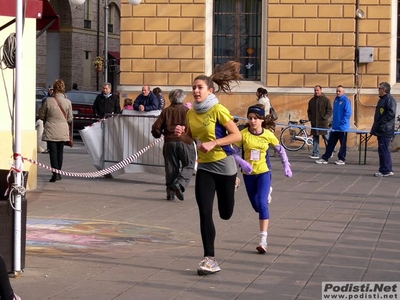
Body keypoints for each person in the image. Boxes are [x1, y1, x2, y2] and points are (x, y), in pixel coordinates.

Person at [174, 61, 242, 276]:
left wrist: (214, 143)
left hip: (225, 167)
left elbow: (237, 136)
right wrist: (181, 135)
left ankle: (233, 185)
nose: (195, 91)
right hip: (204, 167)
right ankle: (209, 259)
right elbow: (191, 139)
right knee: (204, 213)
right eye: (193, 87)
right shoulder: (191, 113)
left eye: (199, 87)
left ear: (210, 90)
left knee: (225, 213)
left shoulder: (218, 110)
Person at [236, 105, 292, 254]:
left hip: (263, 173)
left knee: (262, 204)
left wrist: (286, 164)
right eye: (250, 118)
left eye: (256, 118)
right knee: (257, 207)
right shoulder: (242, 135)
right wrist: (241, 162)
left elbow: (280, 149)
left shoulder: (267, 134)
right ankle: (266, 194)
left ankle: (263, 240)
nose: (253, 121)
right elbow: (233, 152)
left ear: (261, 120)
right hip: (248, 175)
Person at [151, 89, 196, 201]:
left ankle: (170, 192)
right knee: (189, 164)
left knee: (171, 167)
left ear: (170, 98)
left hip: (169, 141)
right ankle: (179, 183)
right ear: (183, 98)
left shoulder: (166, 111)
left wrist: (159, 134)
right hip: (185, 141)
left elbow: (156, 128)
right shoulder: (187, 111)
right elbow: (194, 127)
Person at [38, 79, 73, 182]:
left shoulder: (48, 101)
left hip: (51, 128)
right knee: (60, 152)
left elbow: (41, 115)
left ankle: (55, 173)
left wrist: (47, 119)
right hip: (63, 129)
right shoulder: (68, 102)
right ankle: (59, 172)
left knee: (52, 152)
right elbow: (70, 118)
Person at [315, 85, 352, 165]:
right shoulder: (336, 100)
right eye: (337, 91)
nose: (338, 93)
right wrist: (332, 122)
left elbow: (348, 113)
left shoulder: (346, 100)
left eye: (339, 91)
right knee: (331, 143)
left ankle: (341, 159)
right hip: (335, 127)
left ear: (343, 92)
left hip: (342, 128)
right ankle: (325, 158)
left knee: (343, 144)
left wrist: (342, 122)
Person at [371, 82, 397, 177]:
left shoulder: (389, 99)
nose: (378, 90)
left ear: (384, 90)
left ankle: (385, 170)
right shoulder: (383, 100)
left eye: (380, 88)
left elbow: (391, 113)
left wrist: (381, 121)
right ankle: (387, 169)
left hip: (385, 129)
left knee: (384, 150)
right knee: (383, 149)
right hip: (381, 128)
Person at [307, 85, 332, 159]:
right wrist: (310, 118)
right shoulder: (312, 101)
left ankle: (329, 152)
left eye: (317, 90)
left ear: (321, 90)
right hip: (314, 123)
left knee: (326, 138)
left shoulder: (326, 100)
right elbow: (309, 111)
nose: (316, 92)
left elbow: (329, 111)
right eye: (315, 90)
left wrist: (325, 118)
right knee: (315, 138)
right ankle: (315, 153)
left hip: (323, 123)